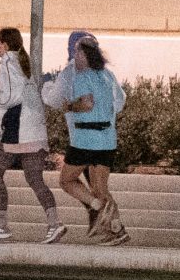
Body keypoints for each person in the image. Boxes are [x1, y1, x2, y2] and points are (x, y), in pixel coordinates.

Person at [0, 27, 66, 244]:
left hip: (18, 131)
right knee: (35, 178)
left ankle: (1, 224)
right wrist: (1, 88)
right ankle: (54, 224)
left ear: (6, 45)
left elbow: (10, 97)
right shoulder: (24, 64)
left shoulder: (7, 62)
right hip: (34, 130)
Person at [53, 31, 127, 244]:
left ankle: (95, 206)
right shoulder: (108, 75)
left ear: (85, 56)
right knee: (101, 188)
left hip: (85, 139)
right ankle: (117, 229)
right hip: (107, 140)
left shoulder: (82, 76)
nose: (73, 56)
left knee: (66, 180)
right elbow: (120, 102)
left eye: (76, 53)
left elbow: (86, 104)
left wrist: (69, 105)